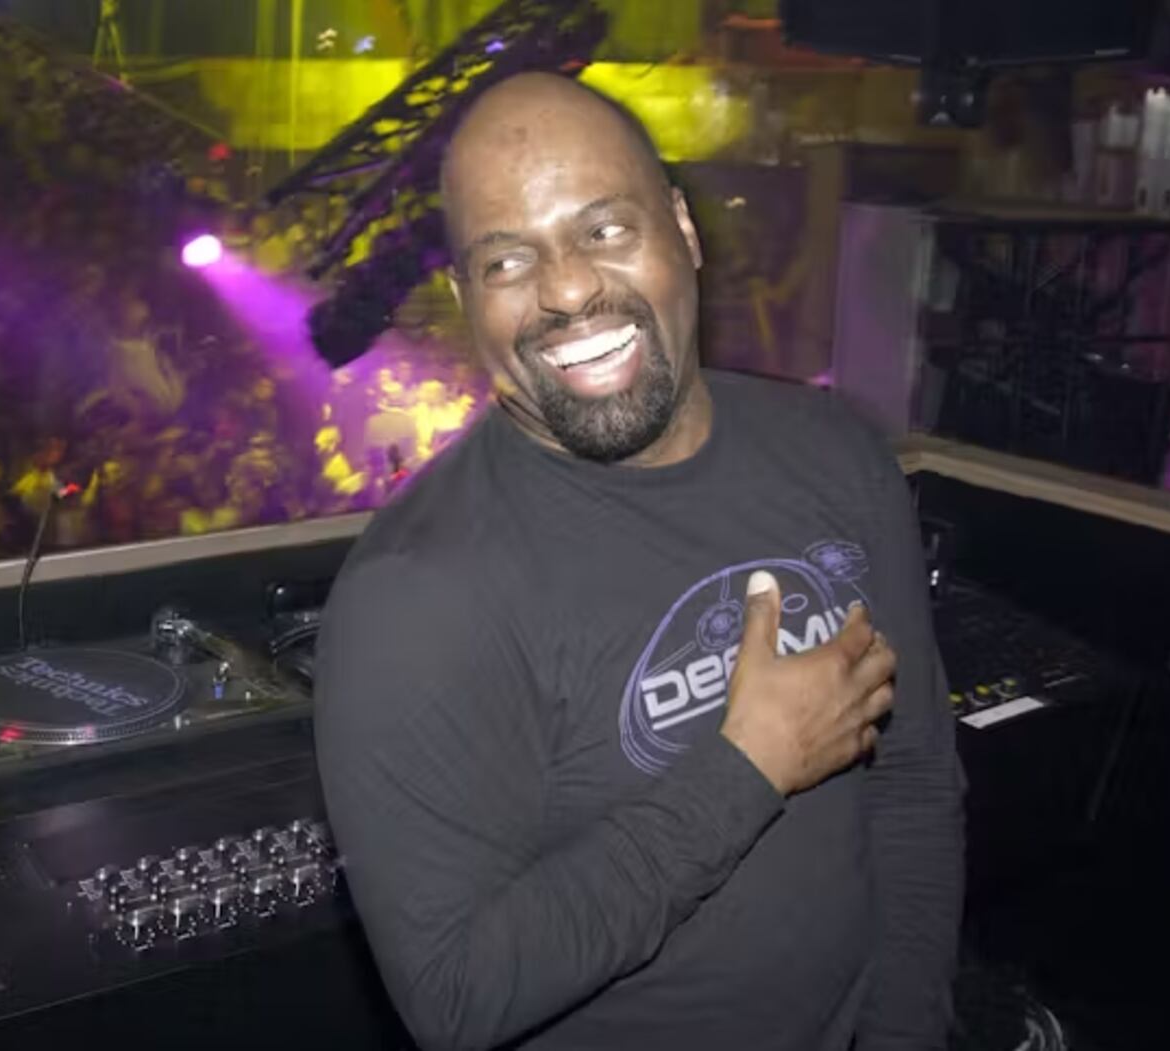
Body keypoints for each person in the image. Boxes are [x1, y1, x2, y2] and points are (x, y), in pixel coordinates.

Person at [313, 73, 964, 1051]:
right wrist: (747, 765)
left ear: (683, 232)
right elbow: (455, 998)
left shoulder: (834, 454)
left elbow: (912, 781)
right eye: (505, 261)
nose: (567, 289)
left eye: (605, 229)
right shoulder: (412, 599)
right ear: (464, 300)